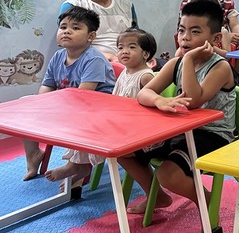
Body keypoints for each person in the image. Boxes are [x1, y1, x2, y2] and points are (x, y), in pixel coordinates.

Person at [121, 0, 237, 214]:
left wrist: (191, 60)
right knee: (124, 152)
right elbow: (144, 92)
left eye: (195, 32)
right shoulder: (176, 63)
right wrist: (159, 100)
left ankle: (206, 199)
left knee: (167, 174)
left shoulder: (220, 68)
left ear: (215, 38)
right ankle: (157, 197)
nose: (185, 38)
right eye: (182, 30)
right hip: (180, 129)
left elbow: (193, 101)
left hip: (213, 135)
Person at [45, 28, 157, 186]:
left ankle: (77, 167)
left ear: (145, 54)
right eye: (120, 47)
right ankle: (77, 166)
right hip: (118, 120)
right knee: (84, 123)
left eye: (132, 47)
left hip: (133, 127)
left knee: (90, 127)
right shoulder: (126, 72)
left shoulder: (145, 76)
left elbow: (153, 101)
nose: (124, 51)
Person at [23, 7, 116, 181]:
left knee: (83, 116)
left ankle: (77, 166)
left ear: (91, 36)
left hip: (95, 110)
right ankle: (33, 154)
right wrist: (40, 105)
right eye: (63, 27)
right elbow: (47, 86)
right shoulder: (58, 56)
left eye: (76, 27)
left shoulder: (93, 59)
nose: (67, 31)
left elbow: (84, 96)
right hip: (68, 105)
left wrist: (55, 107)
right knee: (24, 104)